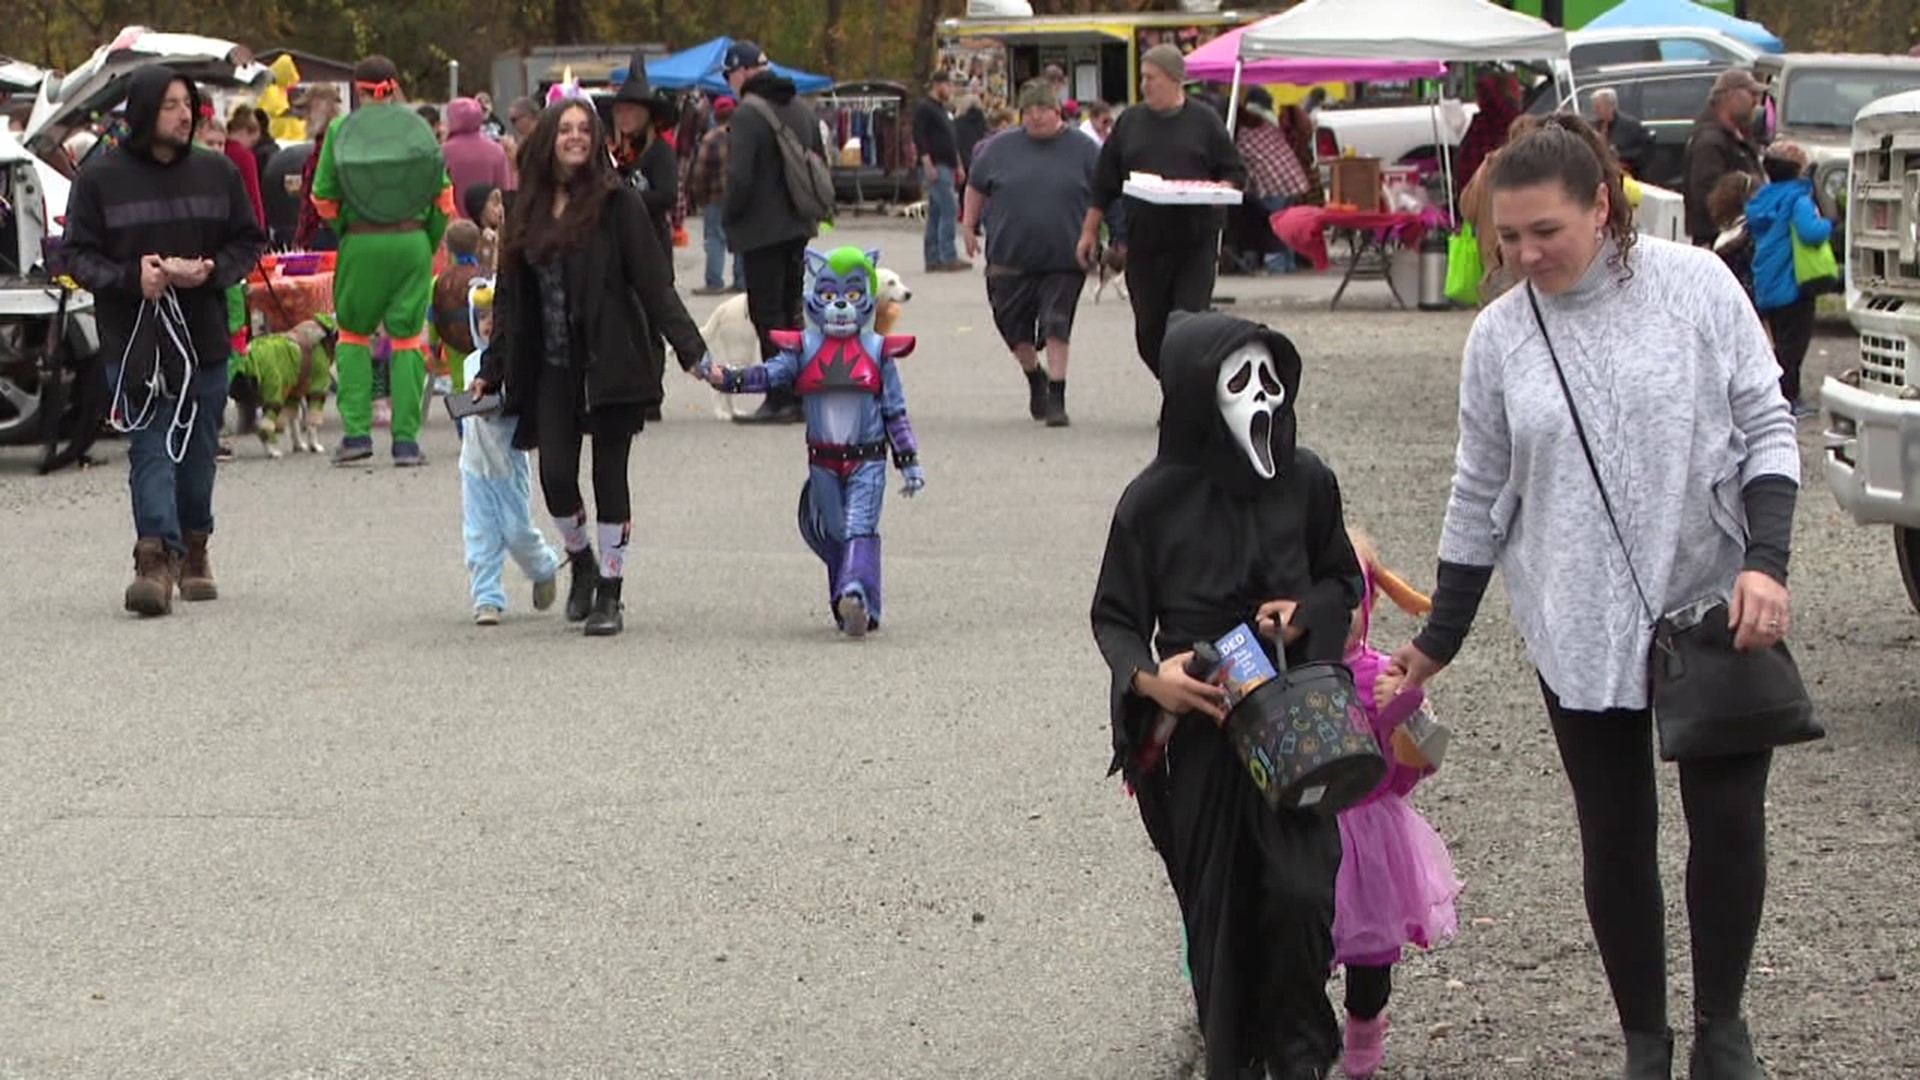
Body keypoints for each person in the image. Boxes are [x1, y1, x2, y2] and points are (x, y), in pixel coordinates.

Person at [1382, 113, 1799, 1080]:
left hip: (1711, 601)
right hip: (1577, 616)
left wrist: (1766, 563)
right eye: (1507, 238)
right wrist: (1439, 637)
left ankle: (1723, 1030)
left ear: (1602, 206)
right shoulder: (1498, 336)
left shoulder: (1697, 286)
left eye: (1545, 233)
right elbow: (1479, 490)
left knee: (1728, 824)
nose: (1525, 254)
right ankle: (1644, 1040)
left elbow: (1767, 427)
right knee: (1616, 834)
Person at [1091, 311, 1361, 1080]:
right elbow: (1114, 617)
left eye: (1271, 378)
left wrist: (1306, 611)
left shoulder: (1307, 481)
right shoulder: (1151, 502)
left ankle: (1301, 1052)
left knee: (1302, 890)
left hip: (1294, 715)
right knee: (1219, 901)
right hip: (1202, 733)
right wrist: (1152, 681)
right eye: (1239, 382)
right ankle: (1235, 1054)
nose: (1262, 398)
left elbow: (1340, 575)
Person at [471, 96, 711, 638]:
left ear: (595, 139)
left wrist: (694, 353)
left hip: (610, 361)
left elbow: (655, 286)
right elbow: (508, 299)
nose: (575, 137)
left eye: (585, 129)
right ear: (550, 139)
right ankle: (580, 560)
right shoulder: (524, 207)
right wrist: (493, 365)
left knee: (609, 479)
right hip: (550, 365)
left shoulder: (617, 204)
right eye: (566, 129)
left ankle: (612, 591)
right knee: (555, 478)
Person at [61, 65, 268, 615]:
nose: (186, 115)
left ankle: (194, 544)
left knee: (198, 452)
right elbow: (75, 256)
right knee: (150, 445)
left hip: (202, 337)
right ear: (145, 110)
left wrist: (209, 269)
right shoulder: (99, 178)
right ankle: (154, 559)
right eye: (173, 104)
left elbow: (249, 241)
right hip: (134, 341)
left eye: (189, 104)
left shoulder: (217, 172)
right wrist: (134, 277)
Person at [702, 247, 925, 638]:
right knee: (836, 533)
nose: (840, 305)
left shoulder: (877, 352)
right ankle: (851, 603)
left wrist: (908, 458)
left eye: (852, 296)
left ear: (868, 299)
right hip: (822, 463)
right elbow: (770, 374)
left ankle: (855, 592)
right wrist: (731, 378)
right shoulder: (805, 349)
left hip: (867, 460)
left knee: (860, 526)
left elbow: (895, 410)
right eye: (830, 294)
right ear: (814, 296)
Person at [1331, 530, 1462, 1078]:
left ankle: (1365, 1028)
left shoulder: (1388, 672)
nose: (1340, 617)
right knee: (1304, 939)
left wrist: (1405, 708)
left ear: (1371, 601)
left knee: (1371, 949)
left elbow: (1427, 756)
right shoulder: (1293, 675)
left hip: (1373, 834)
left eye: (1349, 600)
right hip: (1312, 830)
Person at [310, 56, 455, 467]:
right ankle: (406, 442)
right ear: (393, 87)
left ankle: (356, 434)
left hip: (361, 243)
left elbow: (323, 197)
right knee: (408, 339)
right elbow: (443, 198)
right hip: (411, 241)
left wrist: (350, 233)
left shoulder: (341, 130)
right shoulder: (418, 130)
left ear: (358, 89)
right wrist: (423, 241)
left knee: (354, 335)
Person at [1079, 45, 1247, 379]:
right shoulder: (1130, 122)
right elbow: (1104, 182)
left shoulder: (1205, 121)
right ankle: (1177, 389)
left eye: (1150, 77)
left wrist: (1223, 191)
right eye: (1143, 77)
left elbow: (1234, 171)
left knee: (1188, 325)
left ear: (1175, 79)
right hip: (1145, 243)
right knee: (1149, 331)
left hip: (1194, 243)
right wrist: (1088, 231)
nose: (1144, 85)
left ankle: (1183, 402)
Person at [963, 79, 1099, 428]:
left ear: (1058, 112)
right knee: (1012, 326)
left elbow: (1104, 195)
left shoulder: (1084, 149)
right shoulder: (998, 148)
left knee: (1056, 321)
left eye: (1044, 110)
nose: (1036, 117)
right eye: (1029, 111)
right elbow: (976, 186)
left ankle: (1057, 394)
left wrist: (1117, 237)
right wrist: (968, 225)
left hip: (1065, 256)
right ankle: (1033, 375)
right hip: (1009, 256)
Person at [724, 40, 826, 426]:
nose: (729, 81)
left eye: (730, 73)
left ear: (745, 71)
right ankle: (799, 390)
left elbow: (740, 176)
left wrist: (729, 216)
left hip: (761, 229)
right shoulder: (800, 108)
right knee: (791, 309)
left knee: (766, 312)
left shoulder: (748, 114)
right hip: (798, 223)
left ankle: (779, 394)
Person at [457, 278, 560, 626]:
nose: (488, 323)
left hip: (508, 464)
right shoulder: (471, 363)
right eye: (481, 317)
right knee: (480, 533)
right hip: (473, 465)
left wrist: (497, 405)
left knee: (517, 531)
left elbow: (519, 404)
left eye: (494, 317)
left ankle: (543, 566)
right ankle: (486, 597)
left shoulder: (515, 364)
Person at [607, 54, 681, 423]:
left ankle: (653, 392)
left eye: (632, 112)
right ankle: (631, 388)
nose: (624, 118)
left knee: (653, 319)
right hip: (617, 249)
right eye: (620, 112)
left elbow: (667, 196)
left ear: (647, 115)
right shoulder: (614, 154)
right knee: (625, 318)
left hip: (651, 244)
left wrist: (626, 199)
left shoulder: (659, 153)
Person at [1746, 141, 1831, 420]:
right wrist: (1830, 224)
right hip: (1792, 284)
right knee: (1793, 346)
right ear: (1797, 170)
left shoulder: (1762, 199)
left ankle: (1774, 394)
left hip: (1767, 279)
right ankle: (1788, 399)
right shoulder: (1797, 199)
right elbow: (1810, 233)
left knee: (1777, 341)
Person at [1683, 69, 1765, 247]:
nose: (1756, 102)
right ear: (1731, 96)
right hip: (1720, 245)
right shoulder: (1709, 143)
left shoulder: (1737, 135)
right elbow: (1707, 198)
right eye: (1751, 94)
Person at [689, 95, 746, 296]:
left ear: (716, 115)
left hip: (715, 196)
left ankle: (714, 281)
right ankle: (741, 281)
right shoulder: (744, 137)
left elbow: (700, 171)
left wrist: (698, 196)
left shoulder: (710, 139)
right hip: (740, 194)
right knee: (741, 236)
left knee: (715, 238)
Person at [913, 72, 967, 273]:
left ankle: (933, 258)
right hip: (935, 165)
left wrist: (959, 164)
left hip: (948, 164)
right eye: (948, 85)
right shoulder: (924, 108)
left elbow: (951, 140)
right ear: (937, 85)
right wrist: (926, 163)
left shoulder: (943, 110)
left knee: (936, 212)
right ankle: (948, 255)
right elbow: (919, 136)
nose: (951, 90)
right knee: (949, 209)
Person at [442, 96, 514, 221]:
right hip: (487, 227)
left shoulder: (442, 152)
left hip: (452, 229)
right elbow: (505, 192)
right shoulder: (496, 151)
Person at [293, 84, 343, 251]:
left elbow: (314, 198)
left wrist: (301, 240)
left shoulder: (326, 148)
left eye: (308, 110)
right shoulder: (339, 142)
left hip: (325, 231)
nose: (305, 118)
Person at [1592, 88, 1654, 178]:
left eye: (1597, 107)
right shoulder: (1595, 126)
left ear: (1610, 106)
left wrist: (1621, 156)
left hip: (1627, 175)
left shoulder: (1631, 126)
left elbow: (1645, 150)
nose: (1594, 110)